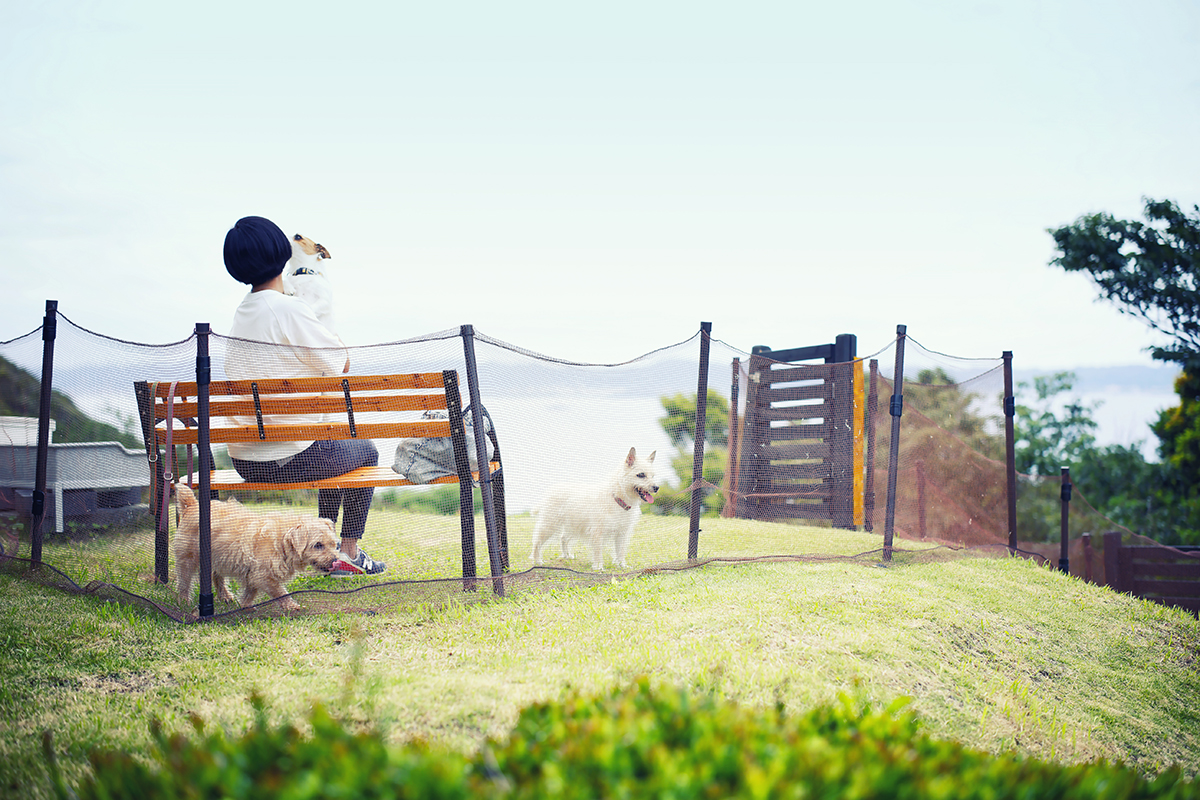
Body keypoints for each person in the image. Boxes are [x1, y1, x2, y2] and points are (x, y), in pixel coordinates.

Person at [221, 215, 385, 576]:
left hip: (245, 461)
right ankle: (349, 552)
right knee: (367, 452)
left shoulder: (240, 316)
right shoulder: (288, 309)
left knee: (336, 442)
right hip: (288, 458)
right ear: (282, 255)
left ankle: (327, 545)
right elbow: (339, 363)